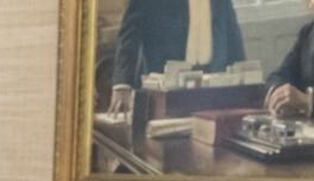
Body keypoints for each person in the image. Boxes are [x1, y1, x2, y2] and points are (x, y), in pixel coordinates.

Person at [104, 0, 248, 121]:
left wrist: (245, 83)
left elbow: (231, 33)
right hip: (163, 90)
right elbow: (130, 33)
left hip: (212, 90)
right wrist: (122, 84)